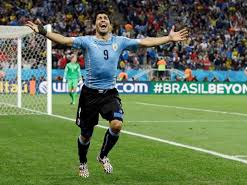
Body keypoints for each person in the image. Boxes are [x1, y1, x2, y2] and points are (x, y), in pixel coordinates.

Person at [26, 10, 188, 178]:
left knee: (117, 125)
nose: (102, 20)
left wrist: (168, 38)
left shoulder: (120, 41)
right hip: (89, 94)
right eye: (99, 18)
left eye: (105, 18)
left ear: (110, 25)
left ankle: (103, 156)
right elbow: (65, 40)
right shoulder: (87, 41)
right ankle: (83, 163)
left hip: (109, 93)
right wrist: (43, 31)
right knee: (85, 136)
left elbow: (145, 42)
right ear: (95, 24)